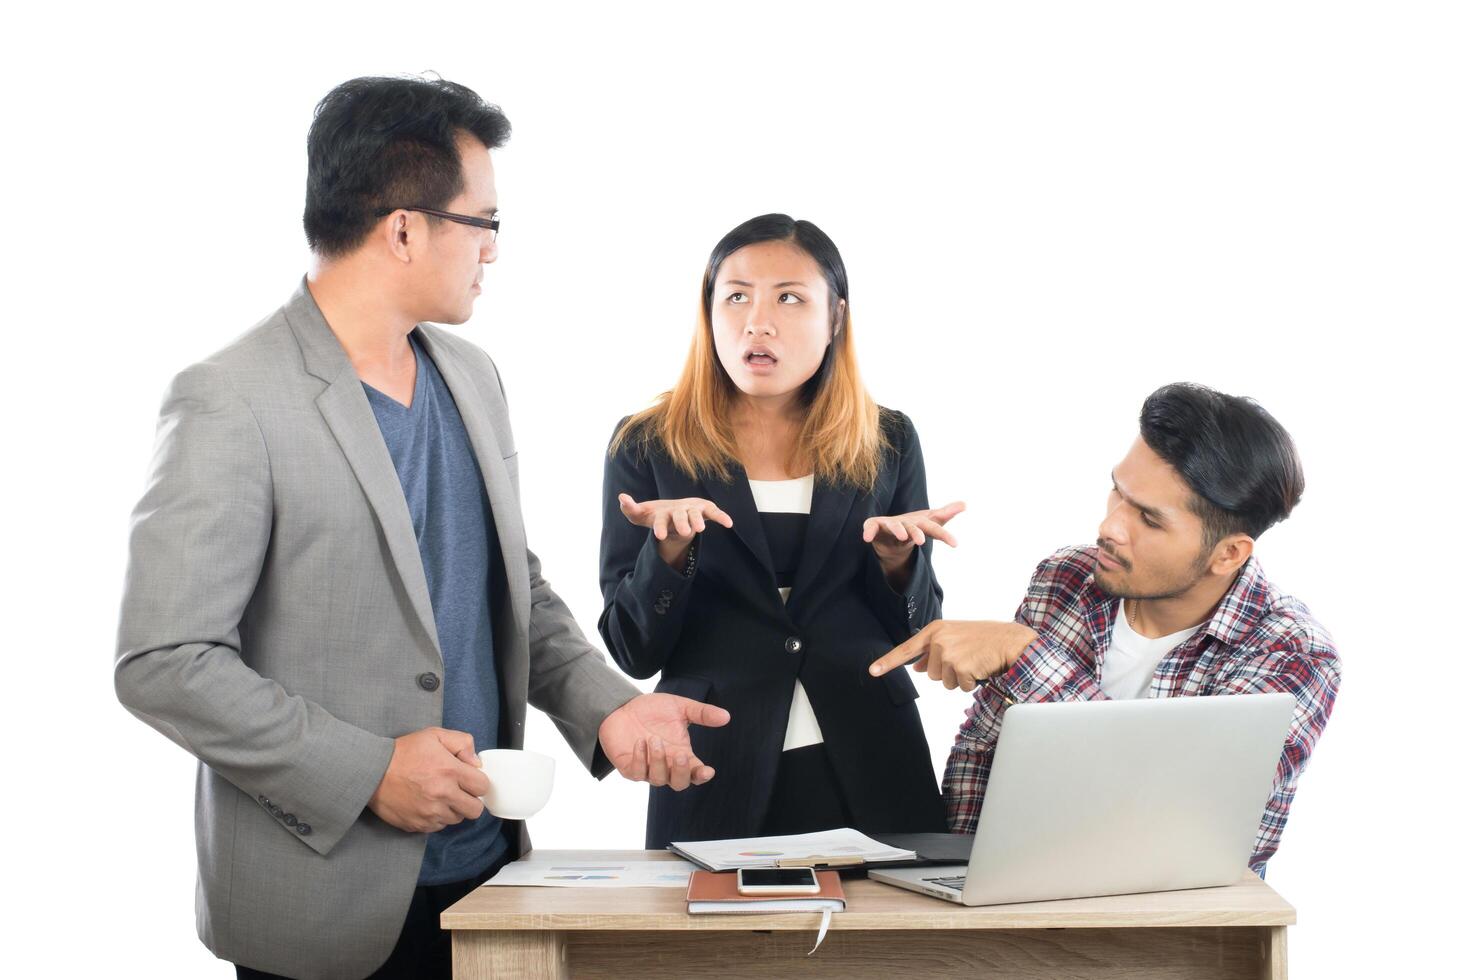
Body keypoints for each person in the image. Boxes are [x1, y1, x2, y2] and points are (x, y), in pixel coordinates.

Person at [114, 75, 729, 980]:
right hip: (320, 908)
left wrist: (610, 711)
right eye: (484, 224)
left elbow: (512, 586)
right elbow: (163, 662)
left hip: (485, 881)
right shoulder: (230, 398)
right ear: (404, 228)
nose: (494, 252)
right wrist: (367, 770)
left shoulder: (472, 376)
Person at [870, 383, 1342, 876]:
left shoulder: (1293, 654)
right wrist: (963, 880)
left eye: (1149, 519)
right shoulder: (1067, 579)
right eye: (1119, 491)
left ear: (1228, 554)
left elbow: (1186, 833)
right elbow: (982, 750)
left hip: (1168, 936)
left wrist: (1025, 656)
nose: (1110, 527)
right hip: (1009, 904)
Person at [599, 213, 961, 848]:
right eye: (735, 295)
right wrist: (669, 553)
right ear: (708, 312)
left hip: (872, 758)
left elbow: (915, 634)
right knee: (710, 949)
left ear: (836, 317)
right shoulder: (647, 444)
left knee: (893, 950)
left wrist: (899, 564)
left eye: (789, 298)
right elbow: (634, 650)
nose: (756, 321)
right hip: (711, 765)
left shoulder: (889, 440)